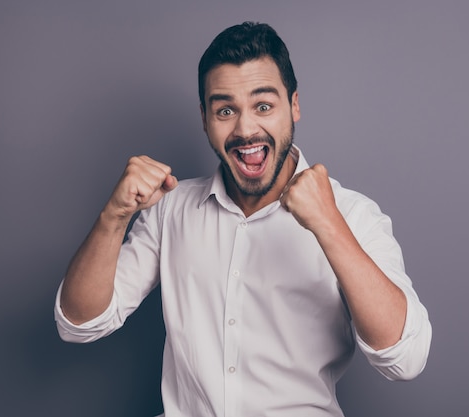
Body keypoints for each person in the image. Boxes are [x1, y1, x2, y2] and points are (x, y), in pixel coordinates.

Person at [55, 21, 432, 417]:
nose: (246, 129)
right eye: (226, 110)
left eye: (263, 106)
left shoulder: (352, 215)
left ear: (295, 106)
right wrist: (114, 216)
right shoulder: (170, 208)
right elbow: (79, 324)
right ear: (204, 118)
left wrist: (329, 225)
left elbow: (405, 359)